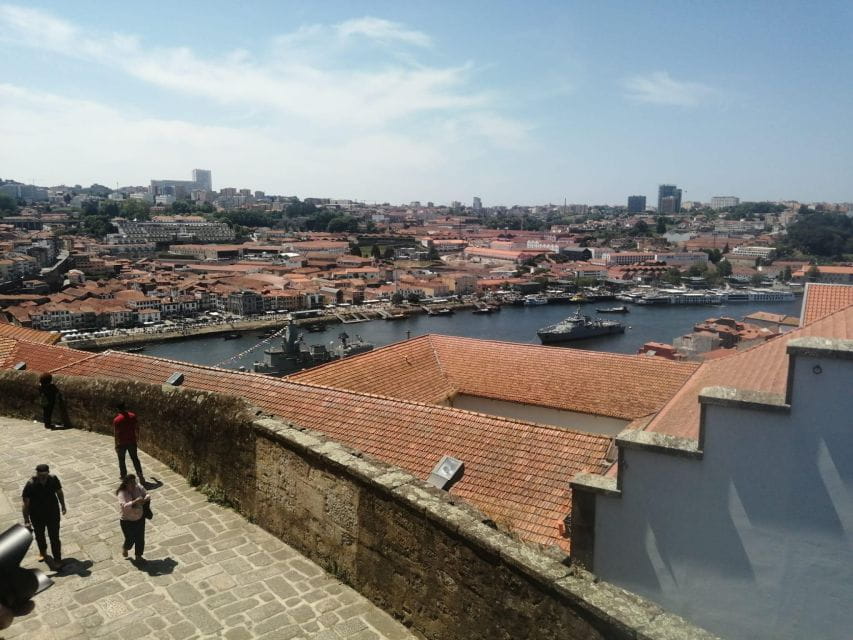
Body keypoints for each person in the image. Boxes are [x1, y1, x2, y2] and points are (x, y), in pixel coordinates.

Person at [21, 464, 66, 567]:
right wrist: (26, 520)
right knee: (40, 536)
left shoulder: (53, 479)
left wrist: (63, 505)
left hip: (52, 513)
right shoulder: (30, 484)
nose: (43, 477)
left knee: (54, 537)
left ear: (48, 473)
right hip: (37, 515)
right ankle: (43, 552)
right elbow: (25, 504)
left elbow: (59, 492)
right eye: (40, 475)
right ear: (37, 473)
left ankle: (57, 559)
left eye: (45, 475)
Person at [116, 475, 149, 563]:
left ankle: (138, 556)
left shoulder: (138, 487)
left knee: (140, 538)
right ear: (126, 484)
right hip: (127, 521)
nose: (134, 484)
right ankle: (126, 547)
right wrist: (135, 501)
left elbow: (147, 494)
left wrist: (145, 499)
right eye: (131, 483)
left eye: (134, 481)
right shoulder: (122, 493)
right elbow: (124, 506)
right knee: (130, 539)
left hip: (140, 518)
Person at [113, 403, 145, 484]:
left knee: (121, 460)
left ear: (118, 409)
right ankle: (140, 474)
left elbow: (116, 434)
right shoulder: (132, 416)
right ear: (125, 408)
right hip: (132, 441)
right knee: (135, 459)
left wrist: (116, 445)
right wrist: (137, 437)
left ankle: (124, 477)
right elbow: (137, 428)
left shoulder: (117, 420)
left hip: (121, 443)